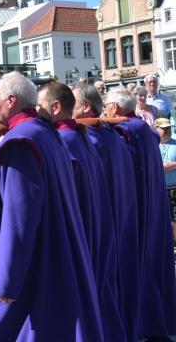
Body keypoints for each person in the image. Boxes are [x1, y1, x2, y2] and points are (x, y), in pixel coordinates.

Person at [0, 72, 103, 341]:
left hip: (39, 257)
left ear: (12, 100)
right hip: (57, 248)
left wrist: (7, 280)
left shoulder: (20, 141)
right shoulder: (47, 133)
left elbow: (19, 215)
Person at [37, 82, 123, 341]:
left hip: (79, 229)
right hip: (96, 223)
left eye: (40, 106)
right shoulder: (84, 135)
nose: (36, 111)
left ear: (55, 107)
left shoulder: (65, 140)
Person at [106, 88, 176, 339]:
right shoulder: (143, 129)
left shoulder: (124, 131)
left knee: (138, 265)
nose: (104, 109)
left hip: (135, 205)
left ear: (115, 107)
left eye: (106, 105)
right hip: (152, 204)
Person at [73, 84, 140, 341]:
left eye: (74, 103)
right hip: (120, 218)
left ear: (87, 107)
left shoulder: (91, 139)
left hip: (103, 222)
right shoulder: (113, 136)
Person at [155, 118, 176, 243]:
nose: (168, 130)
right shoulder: (152, 144)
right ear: (156, 129)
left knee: (174, 218)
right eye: (164, 128)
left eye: (169, 127)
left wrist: (172, 165)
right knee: (159, 217)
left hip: (173, 188)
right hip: (157, 188)